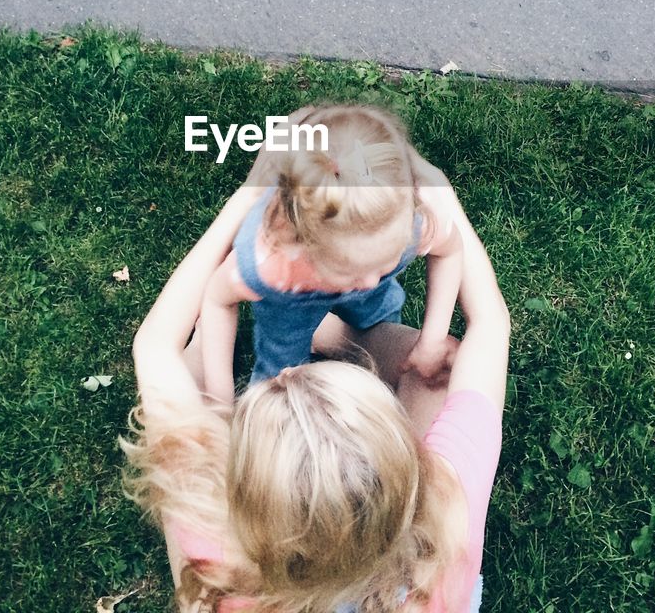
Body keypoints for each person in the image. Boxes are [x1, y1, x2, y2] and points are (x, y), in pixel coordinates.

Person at [123, 163, 510, 612]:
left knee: (190, 430)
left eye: (279, 390)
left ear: (247, 501)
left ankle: (273, 346)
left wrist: (247, 198)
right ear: (410, 474)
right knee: (437, 367)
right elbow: (490, 324)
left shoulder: (214, 556)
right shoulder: (449, 517)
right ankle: (339, 335)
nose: (290, 373)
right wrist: (440, 189)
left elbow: (153, 345)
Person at [198, 103, 465, 405]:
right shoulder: (269, 263)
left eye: (383, 262)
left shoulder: (408, 223)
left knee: (380, 325)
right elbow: (217, 300)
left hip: (339, 279)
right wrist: (219, 401)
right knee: (280, 379)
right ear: (302, 245)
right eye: (351, 270)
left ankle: (366, 365)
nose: (369, 280)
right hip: (291, 299)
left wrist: (431, 339)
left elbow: (450, 251)